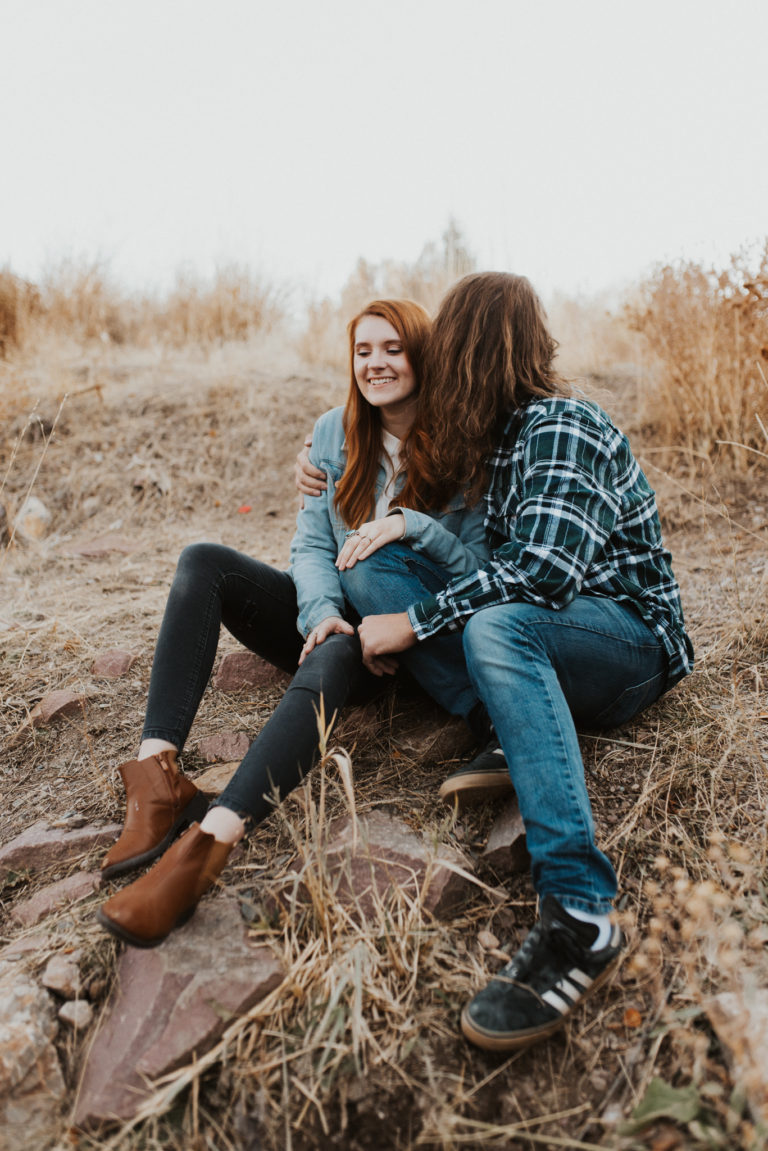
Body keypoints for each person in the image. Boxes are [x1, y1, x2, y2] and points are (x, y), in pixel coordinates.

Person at [296, 271, 694, 1052]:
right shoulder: (496, 440)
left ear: (474, 353)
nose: (432, 368)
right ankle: (507, 721)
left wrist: (413, 624)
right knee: (381, 568)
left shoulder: (560, 423)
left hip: (630, 644)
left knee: (498, 628)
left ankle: (580, 911)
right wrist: (316, 460)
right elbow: (395, 477)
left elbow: (543, 577)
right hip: (554, 645)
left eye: (444, 351)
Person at [96, 298, 493, 949]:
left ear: (424, 354)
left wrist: (406, 545)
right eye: (363, 351)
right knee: (206, 562)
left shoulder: (463, 444)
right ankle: (157, 776)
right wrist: (323, 613)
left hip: (415, 639)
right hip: (336, 624)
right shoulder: (334, 434)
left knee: (338, 651)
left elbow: (477, 571)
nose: (376, 364)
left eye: (392, 348)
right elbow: (311, 546)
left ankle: (211, 839)